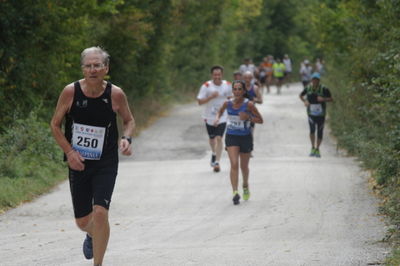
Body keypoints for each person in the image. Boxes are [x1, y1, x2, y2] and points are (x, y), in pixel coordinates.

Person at [50, 46, 135, 266]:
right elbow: (55, 125)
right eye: (88, 66)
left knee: (100, 213)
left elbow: (128, 120)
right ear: (83, 69)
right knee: (83, 221)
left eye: (97, 65)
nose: (93, 69)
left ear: (106, 68)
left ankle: (98, 262)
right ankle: (92, 234)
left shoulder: (115, 94)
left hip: (106, 162)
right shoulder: (70, 92)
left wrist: (126, 139)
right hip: (79, 163)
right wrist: (69, 152)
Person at [215, 80, 263, 205]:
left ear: (243, 91)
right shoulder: (227, 103)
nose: (237, 91)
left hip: (245, 137)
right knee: (234, 164)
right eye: (235, 89)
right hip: (232, 136)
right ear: (232, 91)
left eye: (239, 89)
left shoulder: (249, 105)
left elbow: (260, 120)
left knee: (244, 167)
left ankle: (245, 185)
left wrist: (248, 117)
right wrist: (217, 119)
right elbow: (220, 111)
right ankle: (235, 192)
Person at [197, 65, 232, 172]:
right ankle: (213, 152)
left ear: (222, 74)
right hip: (209, 116)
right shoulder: (206, 86)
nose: (217, 76)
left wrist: (230, 99)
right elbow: (199, 102)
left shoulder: (228, 85)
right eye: (215, 75)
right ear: (212, 75)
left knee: (219, 138)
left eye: (219, 74)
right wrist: (211, 97)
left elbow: (232, 98)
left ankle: (217, 162)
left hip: (222, 116)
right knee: (212, 139)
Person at [299, 72, 333, 158]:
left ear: (319, 80)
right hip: (311, 113)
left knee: (320, 132)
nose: (315, 81)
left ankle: (317, 149)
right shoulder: (308, 88)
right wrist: (305, 101)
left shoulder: (324, 89)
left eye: (316, 80)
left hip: (321, 114)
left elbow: (331, 99)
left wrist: (323, 99)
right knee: (312, 130)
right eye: (313, 79)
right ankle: (312, 147)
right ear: (311, 80)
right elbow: (301, 95)